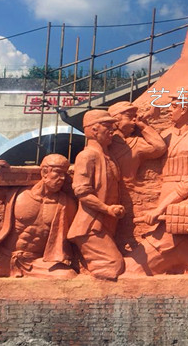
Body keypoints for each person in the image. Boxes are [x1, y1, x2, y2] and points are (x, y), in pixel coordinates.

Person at [0, 154, 77, 279]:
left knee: (68, 275)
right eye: (58, 172)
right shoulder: (17, 194)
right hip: (2, 257)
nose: (62, 178)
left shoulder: (66, 204)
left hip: (34, 262)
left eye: (64, 174)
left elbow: (73, 237)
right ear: (44, 172)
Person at [67, 109, 126, 280]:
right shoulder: (87, 156)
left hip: (104, 225)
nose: (112, 130)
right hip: (89, 227)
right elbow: (82, 193)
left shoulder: (107, 157)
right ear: (94, 130)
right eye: (107, 126)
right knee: (114, 265)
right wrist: (107, 209)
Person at [108, 101, 167, 181]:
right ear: (116, 120)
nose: (134, 120)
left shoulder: (135, 143)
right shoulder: (106, 142)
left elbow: (160, 148)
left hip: (130, 186)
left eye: (135, 116)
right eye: (129, 116)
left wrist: (144, 126)